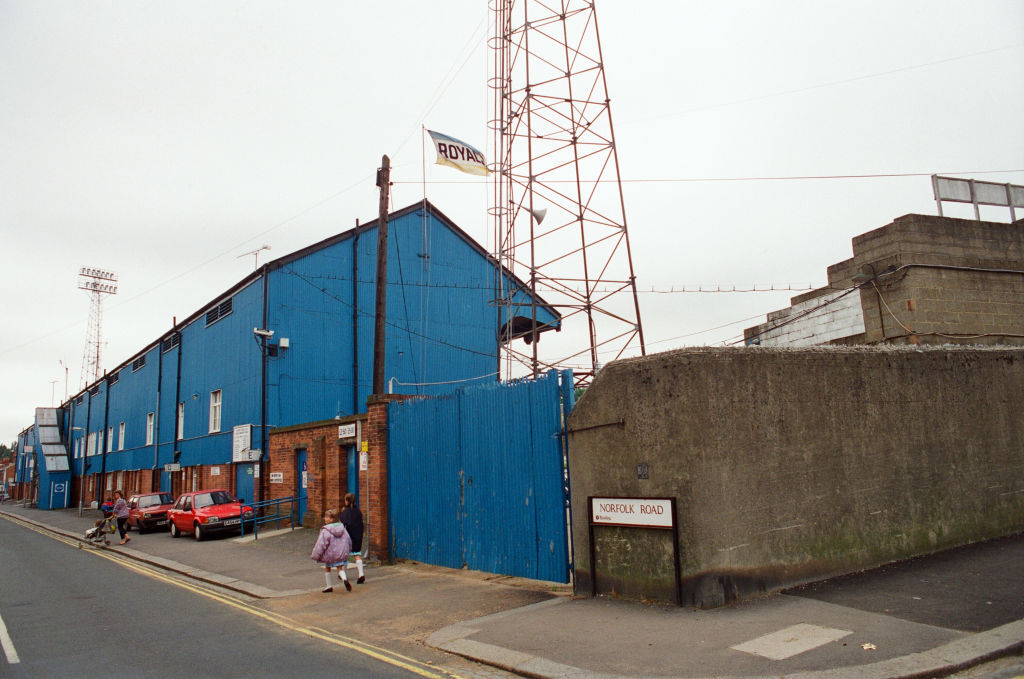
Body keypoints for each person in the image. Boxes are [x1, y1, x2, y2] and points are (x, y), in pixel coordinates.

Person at [311, 508, 352, 593]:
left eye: (327, 517)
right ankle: (344, 579)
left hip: (330, 554)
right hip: (341, 553)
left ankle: (329, 586)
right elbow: (349, 540)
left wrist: (315, 555)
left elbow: (321, 544)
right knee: (340, 568)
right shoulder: (342, 528)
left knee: (327, 568)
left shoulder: (325, 530)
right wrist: (349, 550)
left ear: (332, 519)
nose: (325, 519)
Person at [339, 492, 366, 584]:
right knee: (357, 555)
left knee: (345, 555)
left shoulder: (345, 512)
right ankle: (361, 574)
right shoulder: (358, 511)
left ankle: (343, 575)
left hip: (348, 535)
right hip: (358, 535)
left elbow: (342, 525)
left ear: (347, 501)